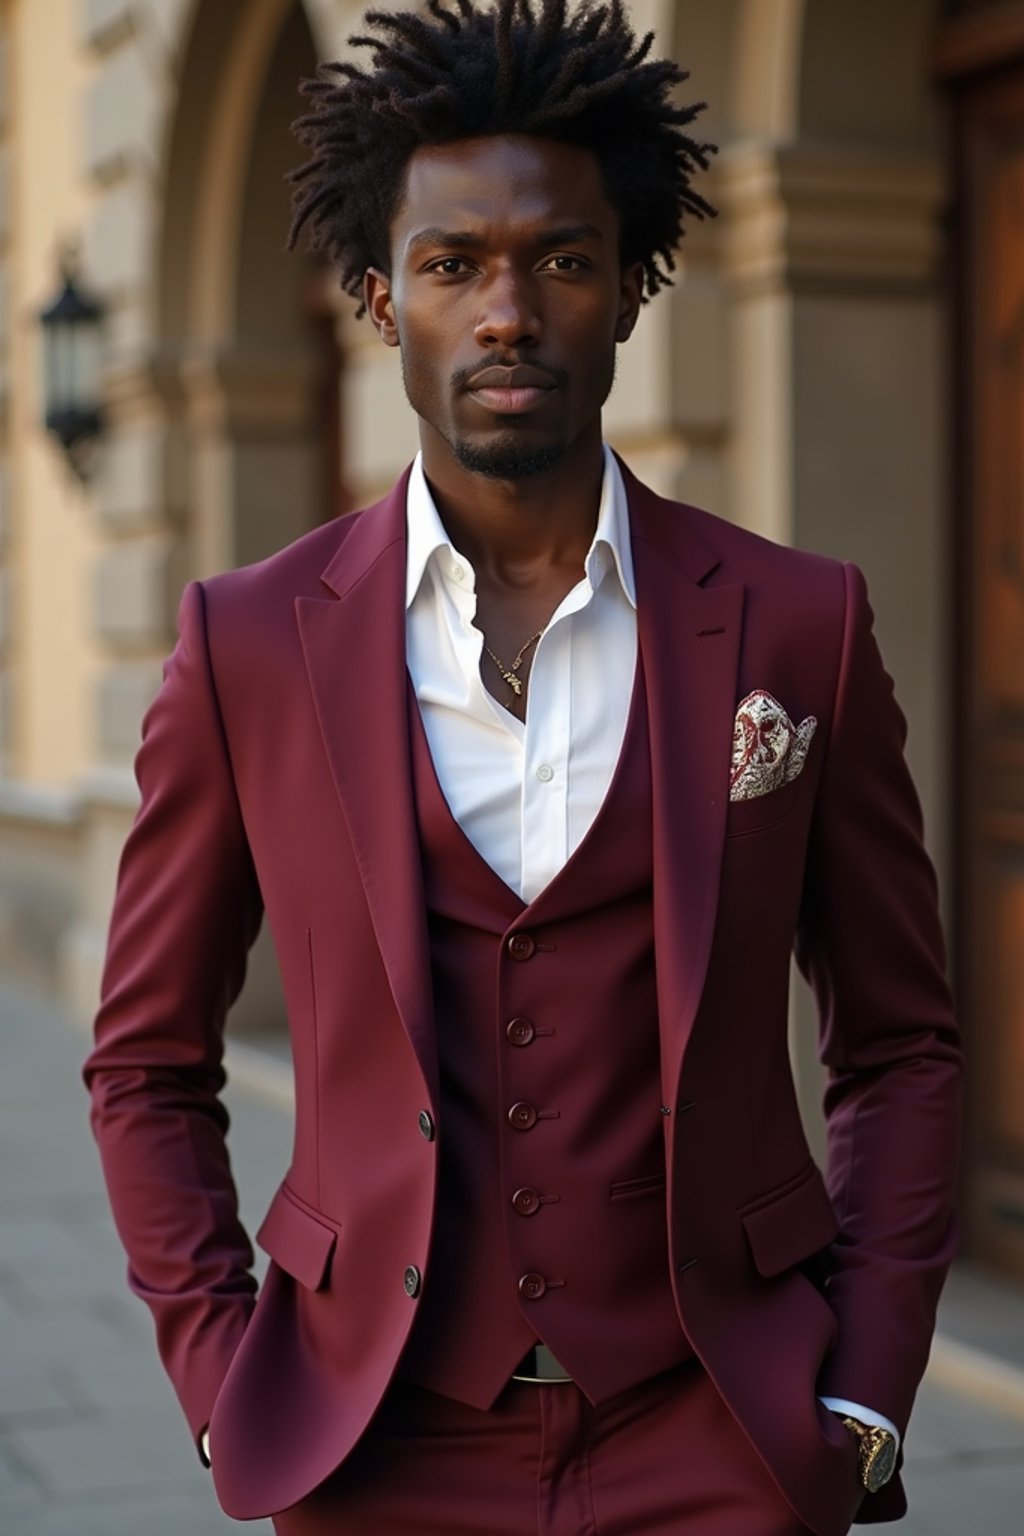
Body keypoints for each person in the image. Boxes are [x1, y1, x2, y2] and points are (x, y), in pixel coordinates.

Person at [83, 3, 962, 1533]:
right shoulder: (247, 645)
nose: (508, 311)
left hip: (722, 1432)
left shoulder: (799, 625)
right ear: (377, 302)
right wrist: (225, 1383)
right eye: (451, 266)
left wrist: (869, 1390)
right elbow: (147, 1063)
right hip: (382, 1443)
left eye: (560, 260)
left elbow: (898, 1042)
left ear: (629, 293)